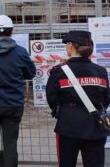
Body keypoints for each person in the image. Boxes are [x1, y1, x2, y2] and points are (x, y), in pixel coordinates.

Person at [46, 30, 110, 167]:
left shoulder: (59, 72)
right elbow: (105, 100)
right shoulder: (101, 72)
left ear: (70, 46)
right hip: (95, 126)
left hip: (68, 127)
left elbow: (52, 99)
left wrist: (66, 111)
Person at [0, 14, 36, 167]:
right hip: (13, 104)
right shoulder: (20, 52)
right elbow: (31, 73)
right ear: (11, 32)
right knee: (10, 144)